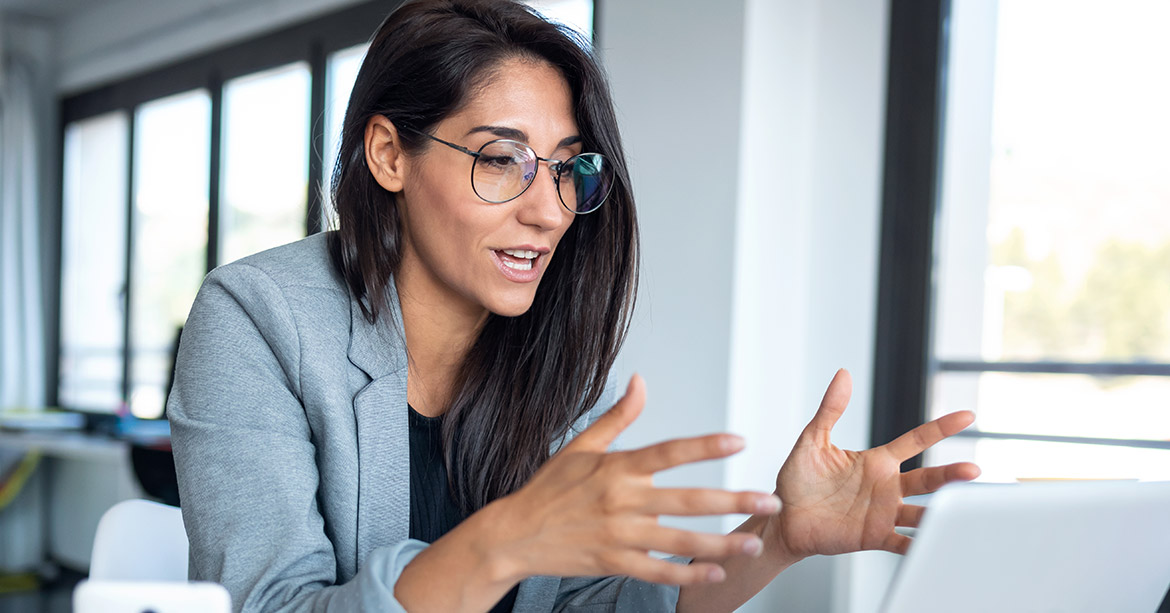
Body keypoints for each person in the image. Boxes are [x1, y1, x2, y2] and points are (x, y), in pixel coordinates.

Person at [167, 1, 980, 611]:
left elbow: (584, 604)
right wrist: (509, 535)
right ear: (389, 155)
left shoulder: (538, 345)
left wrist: (777, 539)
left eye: (565, 168)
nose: (550, 210)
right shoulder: (257, 318)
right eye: (502, 160)